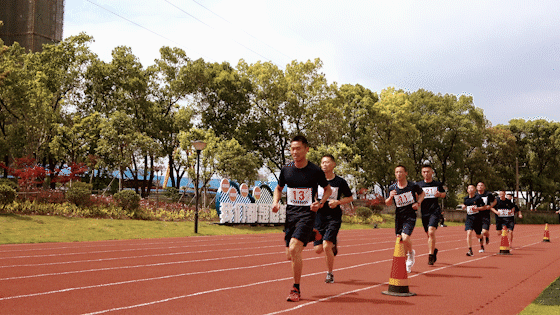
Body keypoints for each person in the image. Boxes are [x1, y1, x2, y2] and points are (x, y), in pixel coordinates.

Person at [272, 135, 332, 302]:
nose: (294, 152)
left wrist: (320, 203)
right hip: (291, 215)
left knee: (294, 249)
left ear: (306, 149)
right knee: (289, 255)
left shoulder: (315, 171)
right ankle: (311, 235)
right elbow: (278, 188)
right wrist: (276, 202)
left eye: (298, 148)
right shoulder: (286, 169)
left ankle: (296, 288)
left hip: (307, 215)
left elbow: (328, 190)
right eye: (292, 149)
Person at [313, 154, 353, 284]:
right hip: (319, 217)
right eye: (322, 162)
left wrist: (338, 202)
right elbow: (312, 195)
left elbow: (350, 198)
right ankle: (333, 242)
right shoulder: (316, 181)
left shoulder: (340, 182)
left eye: (327, 162)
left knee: (326, 246)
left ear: (333, 164)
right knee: (318, 250)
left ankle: (329, 273)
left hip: (333, 217)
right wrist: (314, 203)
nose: (324, 164)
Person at [385, 165, 425, 273]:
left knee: (405, 237)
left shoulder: (413, 185)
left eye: (401, 172)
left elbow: (422, 194)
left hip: (410, 215)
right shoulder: (392, 187)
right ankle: (406, 260)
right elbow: (387, 203)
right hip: (399, 216)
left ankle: (411, 254)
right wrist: (390, 197)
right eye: (397, 172)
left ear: (406, 173)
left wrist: (418, 203)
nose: (399, 174)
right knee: (400, 239)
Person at [416, 164, 446, 265]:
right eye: (424, 172)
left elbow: (444, 194)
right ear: (422, 173)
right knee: (428, 234)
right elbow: (415, 196)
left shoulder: (437, 184)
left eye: (428, 171)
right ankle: (434, 250)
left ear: (432, 172)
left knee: (431, 232)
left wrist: (439, 195)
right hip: (424, 212)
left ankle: (430, 255)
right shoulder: (418, 185)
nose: (426, 173)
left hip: (434, 211)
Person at [461, 185, 485, 256]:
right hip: (469, 218)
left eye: (472, 188)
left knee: (478, 235)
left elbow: (483, 207)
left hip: (477, 218)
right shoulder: (466, 198)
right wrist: (463, 206)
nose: (470, 189)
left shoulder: (478, 198)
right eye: (469, 188)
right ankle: (470, 250)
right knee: (469, 233)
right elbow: (465, 204)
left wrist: (477, 209)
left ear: (474, 190)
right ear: (467, 190)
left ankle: (481, 239)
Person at [476, 182, 496, 253]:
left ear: (484, 187)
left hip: (485, 215)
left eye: (482, 185)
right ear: (476, 187)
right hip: (477, 216)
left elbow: (495, 201)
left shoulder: (488, 194)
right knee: (479, 234)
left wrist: (490, 206)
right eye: (479, 185)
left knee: (484, 232)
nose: (480, 187)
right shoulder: (475, 195)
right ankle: (482, 247)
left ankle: (487, 236)